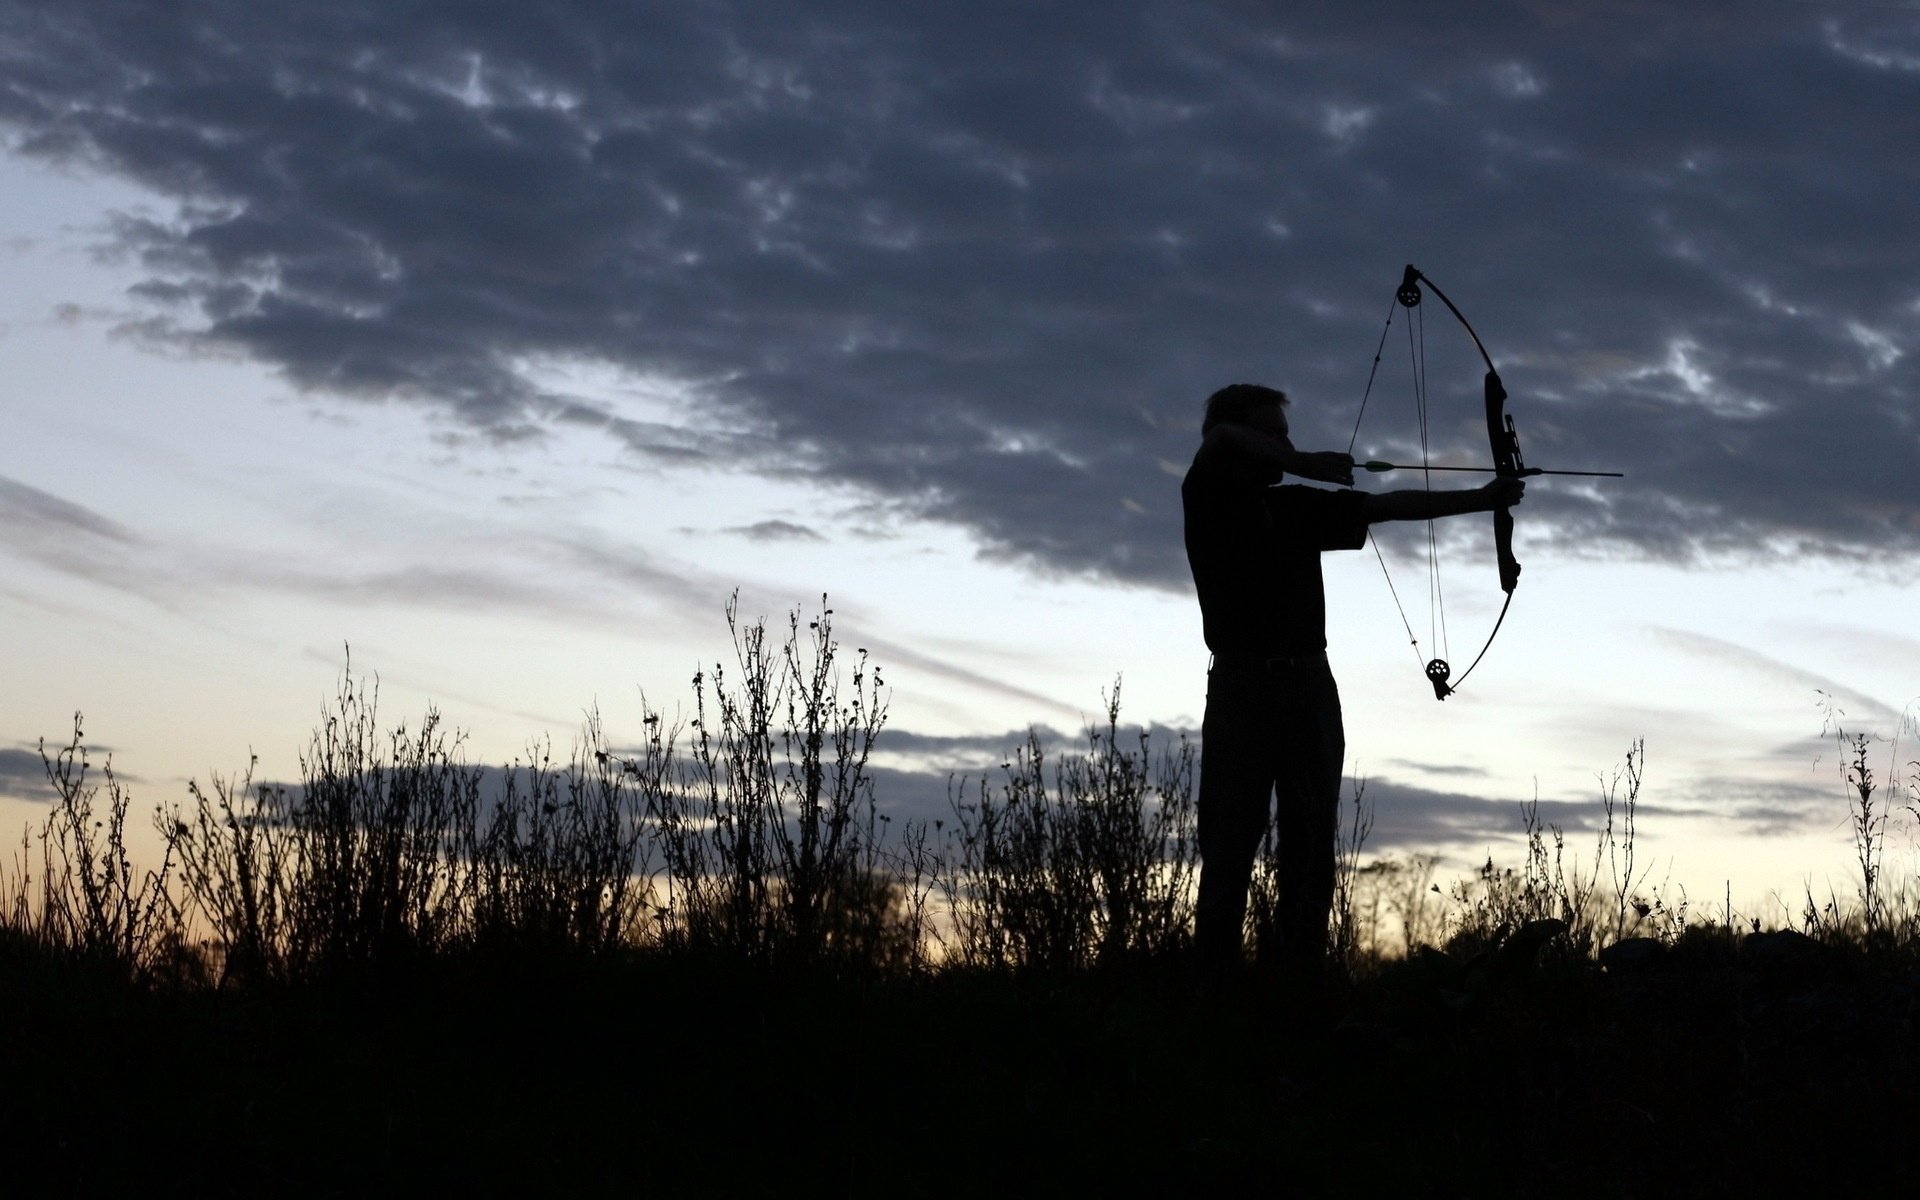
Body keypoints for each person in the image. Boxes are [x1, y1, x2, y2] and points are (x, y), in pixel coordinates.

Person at [1181, 383, 1523, 989]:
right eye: (1275, 433)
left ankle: (1297, 990)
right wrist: (1302, 460)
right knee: (1230, 849)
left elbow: (1386, 506)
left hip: (1309, 686)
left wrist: (1484, 498)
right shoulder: (1208, 497)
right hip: (1242, 691)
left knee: (1310, 848)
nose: (1285, 444)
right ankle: (1213, 995)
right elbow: (1222, 439)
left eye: (1286, 436)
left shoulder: (1291, 508)